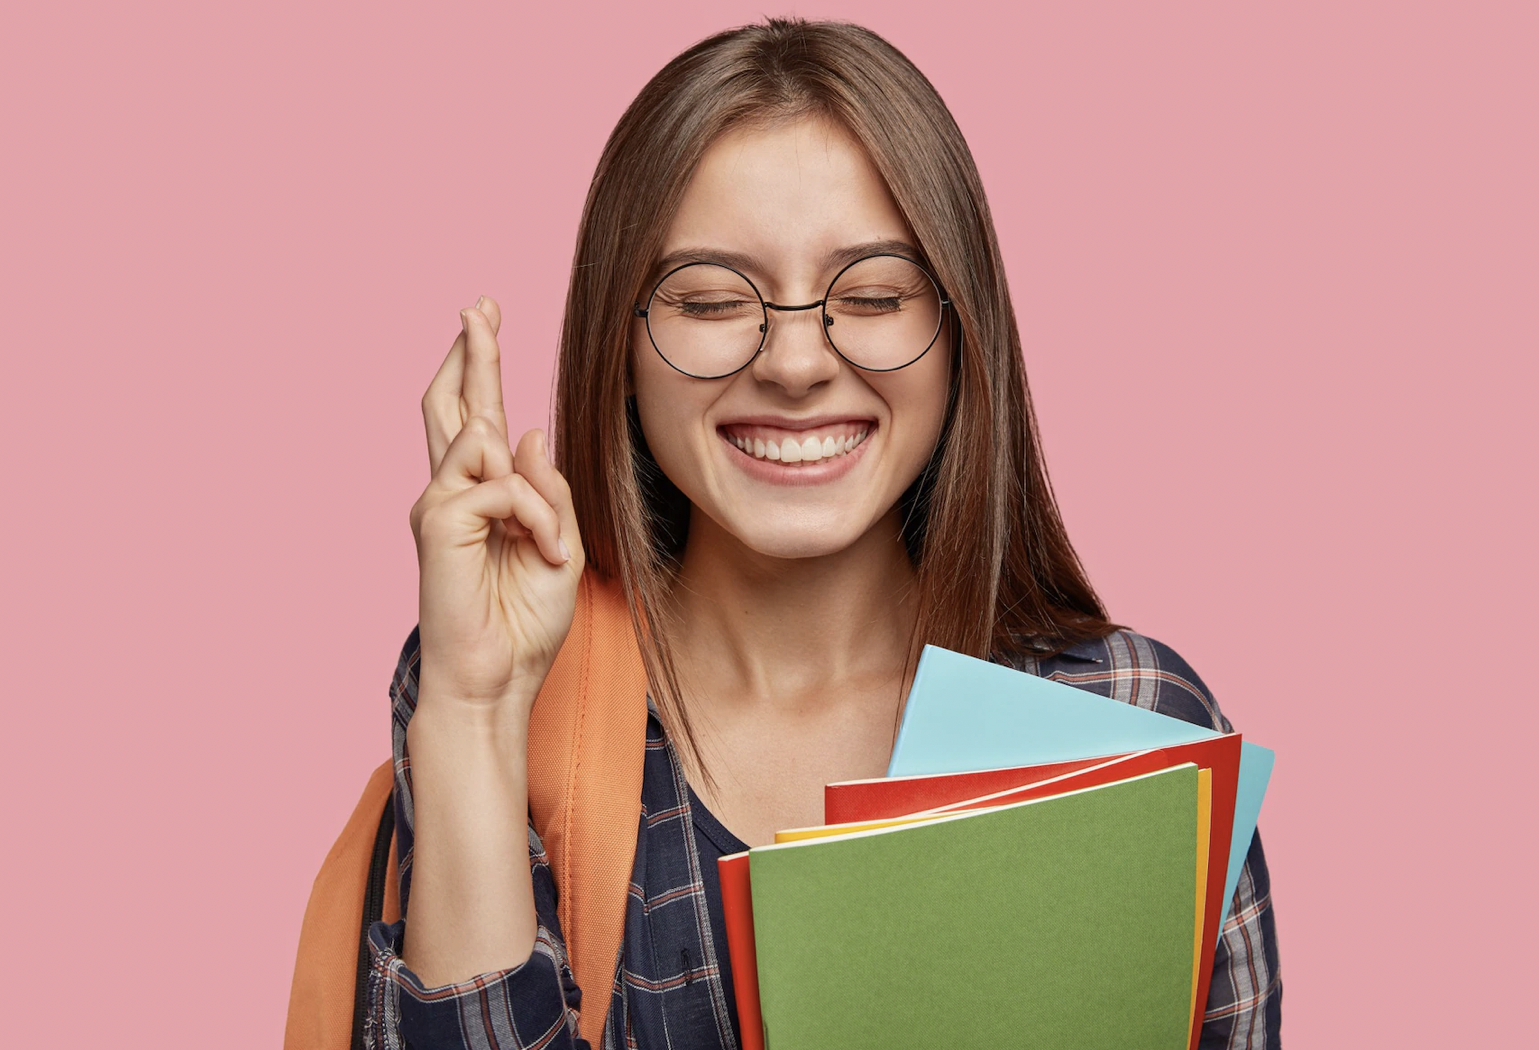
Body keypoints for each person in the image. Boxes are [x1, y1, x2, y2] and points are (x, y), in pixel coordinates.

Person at [360, 16, 1281, 1050]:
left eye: (873, 294)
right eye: (709, 300)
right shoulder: (505, 703)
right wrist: (476, 710)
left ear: (959, 331)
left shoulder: (1124, 725)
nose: (794, 363)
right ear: (616, 345)